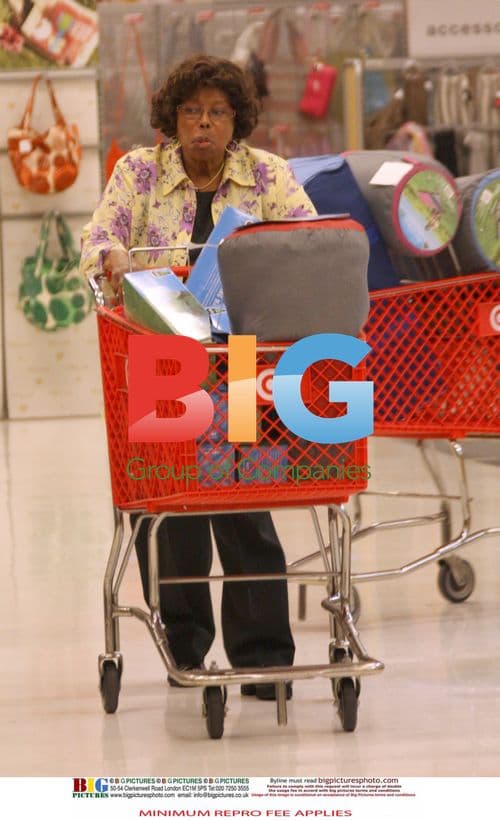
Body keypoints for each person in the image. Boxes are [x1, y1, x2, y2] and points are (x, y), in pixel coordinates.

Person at [80, 54, 316, 701]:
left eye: (216, 112)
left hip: (243, 364)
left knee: (245, 508)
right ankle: (183, 649)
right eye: (191, 112)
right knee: (172, 510)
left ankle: (262, 658)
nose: (203, 125)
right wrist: (114, 256)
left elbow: (309, 238)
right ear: (172, 120)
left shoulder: (267, 175)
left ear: (235, 119)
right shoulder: (137, 173)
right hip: (162, 366)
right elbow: (94, 241)